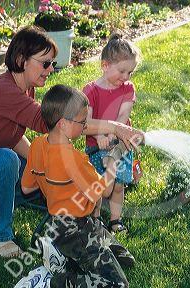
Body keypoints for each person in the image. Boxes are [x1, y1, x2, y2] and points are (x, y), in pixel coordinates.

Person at [0, 26, 143, 258]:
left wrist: (45, 164)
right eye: (45, 63)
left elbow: (14, 136)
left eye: (52, 63)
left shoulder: (25, 89)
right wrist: (116, 127)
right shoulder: (2, 90)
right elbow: (58, 124)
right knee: (6, 161)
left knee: (40, 175)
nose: (50, 69)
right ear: (22, 60)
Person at [20, 84, 134, 287]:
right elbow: (105, 191)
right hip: (79, 229)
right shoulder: (74, 160)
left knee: (125, 259)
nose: (85, 127)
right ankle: (54, 282)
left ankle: (62, 253)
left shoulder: (37, 145)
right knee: (118, 285)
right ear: (63, 124)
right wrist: (114, 159)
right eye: (82, 122)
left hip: (59, 224)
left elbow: (27, 188)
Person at [83, 32, 141, 233]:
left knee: (118, 185)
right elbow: (86, 122)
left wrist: (111, 136)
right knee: (98, 187)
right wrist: (99, 136)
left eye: (130, 73)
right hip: (95, 147)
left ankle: (116, 220)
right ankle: (95, 219)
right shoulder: (90, 91)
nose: (125, 77)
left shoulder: (127, 89)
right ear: (105, 65)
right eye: (122, 71)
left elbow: (123, 116)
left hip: (120, 146)